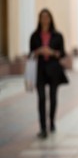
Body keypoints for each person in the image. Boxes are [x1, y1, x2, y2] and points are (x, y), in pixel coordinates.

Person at [29, 8, 68, 139]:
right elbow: (31, 53)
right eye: (42, 17)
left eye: (47, 17)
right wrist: (38, 51)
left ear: (50, 19)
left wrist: (52, 52)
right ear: (39, 19)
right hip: (40, 70)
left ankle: (51, 122)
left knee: (52, 97)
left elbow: (62, 53)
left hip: (53, 69)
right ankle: (42, 127)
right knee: (41, 98)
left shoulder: (58, 35)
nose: (45, 19)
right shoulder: (34, 36)